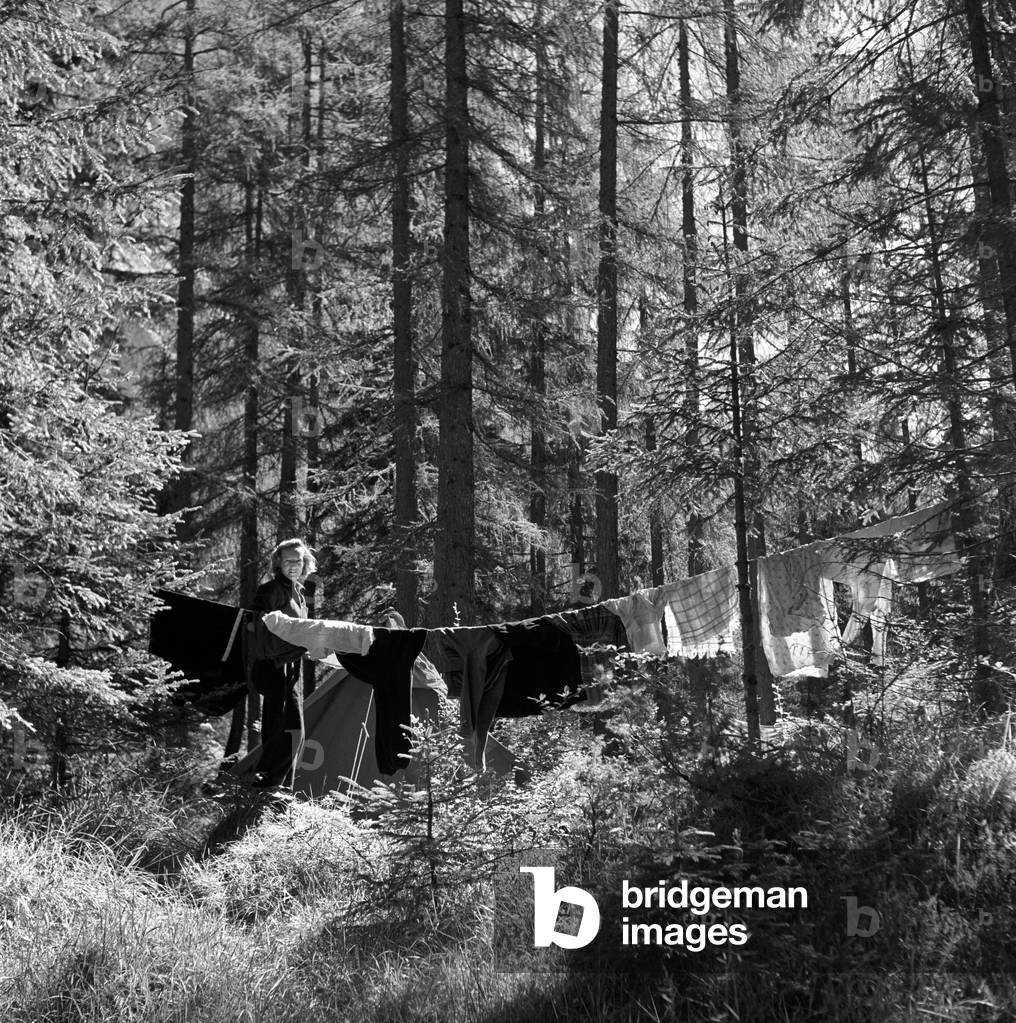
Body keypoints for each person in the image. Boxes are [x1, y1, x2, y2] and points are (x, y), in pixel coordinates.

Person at [249, 538, 316, 789]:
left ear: (305, 563)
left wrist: (305, 646)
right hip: (274, 666)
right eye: (288, 560)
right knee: (278, 727)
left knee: (295, 732)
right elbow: (256, 624)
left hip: (292, 667)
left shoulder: (298, 593)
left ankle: (280, 784)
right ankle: (266, 782)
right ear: (278, 563)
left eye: (298, 561)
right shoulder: (270, 591)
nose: (293, 565)